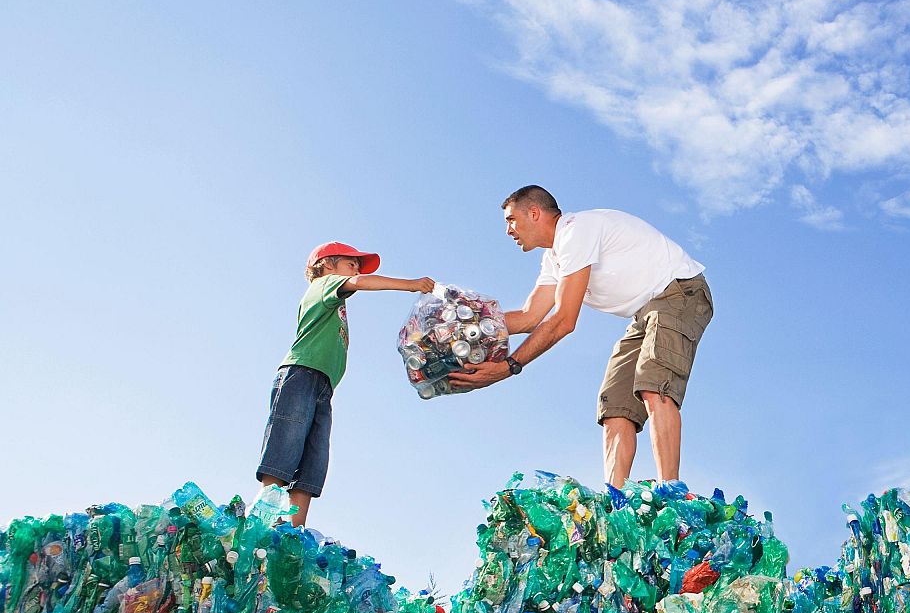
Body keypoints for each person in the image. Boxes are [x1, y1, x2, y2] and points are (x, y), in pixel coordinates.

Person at [448, 185, 713, 488]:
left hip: (679, 293)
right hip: (644, 312)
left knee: (654, 384)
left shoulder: (577, 231)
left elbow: (563, 320)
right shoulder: (554, 258)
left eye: (511, 220)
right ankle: (615, 499)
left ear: (534, 213)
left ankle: (671, 489)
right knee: (615, 405)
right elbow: (529, 316)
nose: (509, 230)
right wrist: (465, 328)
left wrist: (508, 367)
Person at [256, 241, 435, 526]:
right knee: (285, 446)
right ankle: (263, 522)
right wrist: (411, 284)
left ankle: (294, 534)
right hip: (302, 373)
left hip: (323, 386)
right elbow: (361, 282)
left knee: (313, 461)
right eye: (351, 262)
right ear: (327, 264)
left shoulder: (335, 303)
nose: (355, 268)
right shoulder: (325, 284)